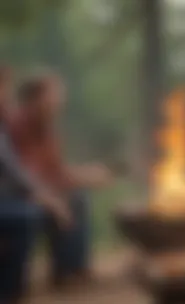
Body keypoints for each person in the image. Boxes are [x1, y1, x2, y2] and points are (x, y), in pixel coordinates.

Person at [9, 72, 112, 292]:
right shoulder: (17, 127)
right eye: (53, 96)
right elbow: (26, 176)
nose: (59, 101)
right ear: (33, 100)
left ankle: (71, 270)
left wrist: (85, 175)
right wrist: (58, 193)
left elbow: (55, 170)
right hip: (19, 194)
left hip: (39, 189)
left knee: (78, 197)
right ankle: (60, 276)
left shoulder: (47, 129)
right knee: (66, 199)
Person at [0, 66, 70, 304]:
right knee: (26, 215)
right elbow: (16, 171)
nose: (6, 95)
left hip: (11, 193)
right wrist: (44, 196)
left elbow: (15, 169)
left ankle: (69, 272)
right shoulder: (14, 123)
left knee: (62, 200)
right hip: (11, 195)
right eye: (3, 87)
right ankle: (7, 303)